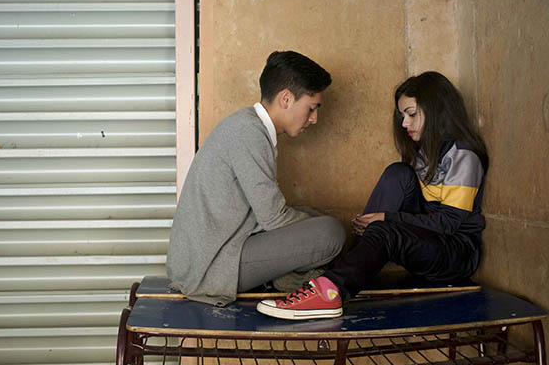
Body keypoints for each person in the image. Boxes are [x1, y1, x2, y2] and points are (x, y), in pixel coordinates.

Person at [257, 71, 489, 320]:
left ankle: (329, 293)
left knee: (384, 230)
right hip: (427, 241)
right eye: (402, 116)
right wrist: (382, 220)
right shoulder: (424, 151)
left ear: (436, 111)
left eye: (411, 114)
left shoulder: (463, 155)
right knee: (397, 173)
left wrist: (387, 218)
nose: (404, 123)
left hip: (456, 253)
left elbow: (448, 224)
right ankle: (343, 273)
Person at [166, 50, 346, 306]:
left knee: (312, 216)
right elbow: (273, 218)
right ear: (286, 98)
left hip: (215, 252)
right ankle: (290, 277)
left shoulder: (248, 125)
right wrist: (316, 226)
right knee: (331, 232)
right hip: (209, 268)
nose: (314, 119)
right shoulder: (249, 132)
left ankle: (287, 276)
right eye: (311, 108)